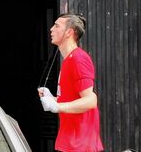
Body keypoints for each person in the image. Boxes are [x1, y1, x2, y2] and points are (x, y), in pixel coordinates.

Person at [38, 13, 104, 152]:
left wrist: (57, 106)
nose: (51, 29)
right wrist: (53, 99)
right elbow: (73, 100)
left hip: (80, 145)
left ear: (69, 32)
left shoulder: (78, 58)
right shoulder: (69, 60)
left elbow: (91, 100)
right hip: (70, 143)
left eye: (56, 26)